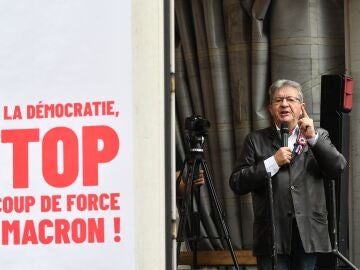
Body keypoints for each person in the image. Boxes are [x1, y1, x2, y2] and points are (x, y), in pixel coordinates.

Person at [229, 79, 347, 270]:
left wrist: (313, 139)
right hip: (272, 234)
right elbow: (237, 182)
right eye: (278, 100)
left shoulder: (318, 135)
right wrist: (272, 162)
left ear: (301, 107)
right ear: (270, 108)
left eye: (290, 99)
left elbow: (337, 167)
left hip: (308, 231)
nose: (284, 104)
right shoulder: (255, 140)